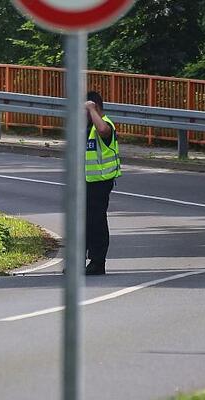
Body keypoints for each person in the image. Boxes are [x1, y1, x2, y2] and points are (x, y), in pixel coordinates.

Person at [84, 91, 120, 275]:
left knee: (96, 222)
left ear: (95, 107)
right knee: (81, 223)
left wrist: (91, 109)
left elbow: (104, 131)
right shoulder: (88, 127)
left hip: (99, 183)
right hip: (85, 183)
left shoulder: (105, 125)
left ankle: (98, 262)